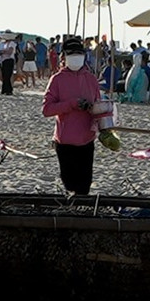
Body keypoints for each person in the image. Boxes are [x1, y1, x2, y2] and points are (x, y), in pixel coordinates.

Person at [41, 35, 104, 195]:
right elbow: (47, 110)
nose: (76, 57)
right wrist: (72, 104)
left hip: (87, 139)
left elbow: (99, 105)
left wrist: (93, 108)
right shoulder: (57, 80)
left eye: (79, 53)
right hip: (65, 141)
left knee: (84, 187)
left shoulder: (91, 79)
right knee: (70, 184)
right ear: (64, 57)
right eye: (72, 54)